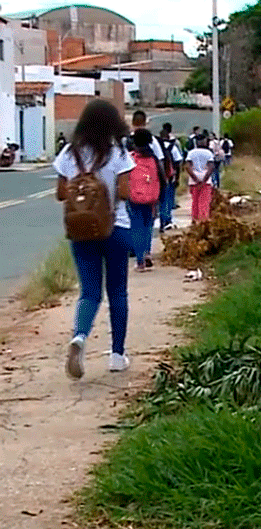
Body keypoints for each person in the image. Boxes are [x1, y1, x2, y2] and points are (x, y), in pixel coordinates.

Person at [54, 99, 135, 379]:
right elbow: (124, 193)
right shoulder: (118, 154)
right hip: (116, 228)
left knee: (89, 292)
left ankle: (79, 337)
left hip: (81, 230)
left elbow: (61, 194)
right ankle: (116, 355)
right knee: (118, 292)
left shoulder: (68, 154)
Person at [126, 110, 165, 269]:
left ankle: (140, 259)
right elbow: (162, 175)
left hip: (134, 196)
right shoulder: (153, 157)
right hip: (151, 196)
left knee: (136, 225)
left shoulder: (130, 157)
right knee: (148, 224)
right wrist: (161, 196)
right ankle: (148, 252)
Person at [156, 125, 183, 232]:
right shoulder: (173, 147)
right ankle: (166, 219)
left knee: (160, 199)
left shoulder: (156, 146)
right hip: (170, 176)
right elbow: (178, 162)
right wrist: (177, 177)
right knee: (168, 198)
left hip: (157, 177)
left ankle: (161, 219)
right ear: (168, 136)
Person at [185, 134, 214, 222]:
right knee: (204, 203)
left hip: (193, 182)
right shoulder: (208, 153)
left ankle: (195, 220)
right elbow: (211, 167)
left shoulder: (191, 153)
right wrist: (204, 180)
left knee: (195, 202)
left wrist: (195, 179)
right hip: (206, 182)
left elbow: (187, 167)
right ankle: (203, 221)